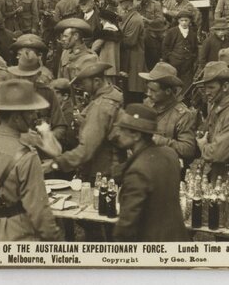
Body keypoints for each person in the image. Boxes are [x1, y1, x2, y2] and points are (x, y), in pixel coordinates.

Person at [0, 80, 62, 241]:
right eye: (30, 113)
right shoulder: (27, 157)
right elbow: (40, 213)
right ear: (15, 117)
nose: (34, 117)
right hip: (19, 236)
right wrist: (54, 241)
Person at [109, 105, 191, 242]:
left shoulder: (138, 171)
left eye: (123, 129)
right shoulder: (170, 154)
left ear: (136, 135)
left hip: (151, 248)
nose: (118, 134)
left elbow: (126, 224)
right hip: (178, 240)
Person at [48, 61, 121, 181]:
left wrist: (55, 164)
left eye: (83, 82)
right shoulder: (112, 95)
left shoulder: (101, 106)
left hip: (101, 170)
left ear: (97, 81)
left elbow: (86, 149)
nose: (81, 87)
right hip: (109, 167)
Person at [139, 62, 198, 164]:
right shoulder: (148, 104)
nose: (148, 94)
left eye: (153, 90)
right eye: (147, 89)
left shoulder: (183, 115)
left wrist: (159, 141)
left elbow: (188, 149)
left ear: (168, 91)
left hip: (168, 167)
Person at [162, 10, 199, 85]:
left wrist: (192, 58)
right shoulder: (172, 32)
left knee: (187, 83)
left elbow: (195, 48)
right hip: (174, 63)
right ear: (178, 21)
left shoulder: (192, 33)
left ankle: (185, 96)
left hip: (187, 65)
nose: (184, 22)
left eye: (186, 20)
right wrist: (169, 57)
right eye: (182, 20)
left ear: (190, 21)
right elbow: (165, 46)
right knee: (173, 82)